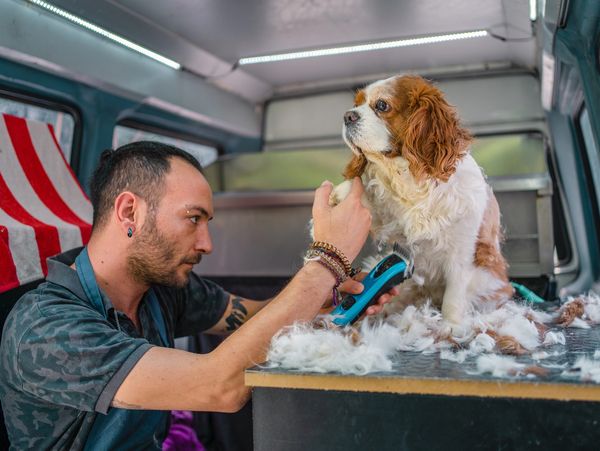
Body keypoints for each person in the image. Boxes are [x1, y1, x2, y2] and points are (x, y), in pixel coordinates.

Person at [0, 141, 394, 450]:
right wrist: (325, 261)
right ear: (128, 213)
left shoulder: (162, 288)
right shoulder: (45, 327)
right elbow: (218, 387)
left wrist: (325, 299)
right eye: (193, 219)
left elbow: (254, 318)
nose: (206, 244)